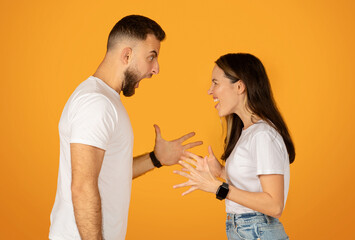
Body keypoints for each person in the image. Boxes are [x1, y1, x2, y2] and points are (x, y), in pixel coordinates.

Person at [49, 15, 203, 240]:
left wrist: (155, 159)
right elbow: (82, 187)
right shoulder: (96, 104)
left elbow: (110, 173)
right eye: (151, 57)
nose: (156, 69)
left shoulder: (105, 100)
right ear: (127, 55)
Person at [173, 53, 295, 240]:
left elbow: (274, 206)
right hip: (246, 229)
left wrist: (218, 187)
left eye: (215, 83)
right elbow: (251, 184)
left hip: (256, 231)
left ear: (239, 86)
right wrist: (220, 172)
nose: (209, 91)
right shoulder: (248, 133)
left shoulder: (262, 135)